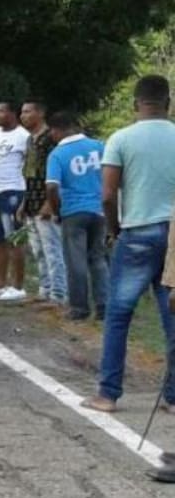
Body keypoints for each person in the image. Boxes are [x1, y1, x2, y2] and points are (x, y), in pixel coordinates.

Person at [84, 75, 175, 413]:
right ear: (168, 103)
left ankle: (107, 394)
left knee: (119, 314)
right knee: (173, 316)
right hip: (174, 234)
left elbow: (107, 194)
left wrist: (115, 228)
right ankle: (174, 396)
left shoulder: (120, 139)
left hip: (136, 231)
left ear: (136, 104)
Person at [44, 112, 107, 321]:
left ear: (56, 130)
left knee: (75, 260)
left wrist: (56, 211)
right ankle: (103, 306)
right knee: (98, 258)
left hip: (73, 210)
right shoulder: (99, 146)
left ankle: (79, 308)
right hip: (100, 209)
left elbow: (52, 187)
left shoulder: (58, 154)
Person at [0, 101, 31, 302]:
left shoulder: (23, 136)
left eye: (2, 110)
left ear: (12, 113)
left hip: (12, 191)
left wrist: (25, 197)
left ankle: (17, 285)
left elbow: (29, 165)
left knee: (15, 240)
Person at [20, 98, 66, 305]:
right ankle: (45, 289)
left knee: (52, 249)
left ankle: (59, 293)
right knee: (38, 249)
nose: (23, 116)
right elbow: (28, 173)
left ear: (40, 113)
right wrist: (23, 202)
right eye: (22, 112)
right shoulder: (30, 140)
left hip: (46, 200)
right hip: (31, 199)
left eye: (28, 112)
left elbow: (55, 173)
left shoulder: (50, 138)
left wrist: (50, 202)